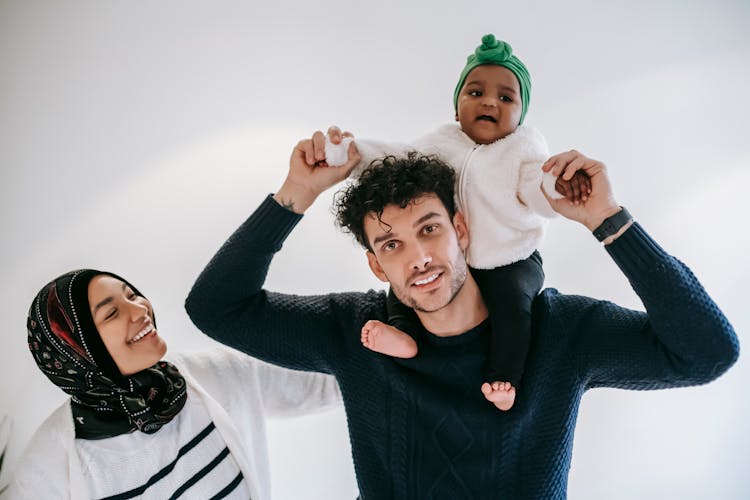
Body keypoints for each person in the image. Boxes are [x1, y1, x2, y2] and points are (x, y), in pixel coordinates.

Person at [184, 137, 738, 498]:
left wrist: (607, 220)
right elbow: (215, 307)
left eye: (429, 229)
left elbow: (708, 353)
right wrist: (295, 193)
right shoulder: (354, 331)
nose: (419, 258)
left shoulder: (558, 330)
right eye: (392, 244)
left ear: (462, 231)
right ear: (376, 265)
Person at [327, 34, 591, 410]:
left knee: (514, 310)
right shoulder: (441, 142)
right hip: (454, 260)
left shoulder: (522, 152)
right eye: (475, 92)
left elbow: (537, 188)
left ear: (521, 116)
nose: (488, 101)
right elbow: (392, 157)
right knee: (403, 289)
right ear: (456, 108)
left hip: (508, 260)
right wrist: (350, 155)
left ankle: (505, 376)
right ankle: (403, 335)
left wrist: (557, 186)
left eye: (505, 97)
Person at [8, 269, 341, 500]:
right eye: (111, 314)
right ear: (76, 351)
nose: (139, 309)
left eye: (132, 294)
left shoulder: (207, 375)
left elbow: (327, 382)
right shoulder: (49, 466)